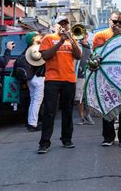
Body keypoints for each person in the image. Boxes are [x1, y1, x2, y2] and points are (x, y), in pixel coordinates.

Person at [37, 16, 82, 154]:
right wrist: (60, 41)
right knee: (50, 111)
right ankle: (44, 143)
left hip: (69, 79)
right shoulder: (48, 38)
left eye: (65, 24)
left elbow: (78, 56)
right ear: (55, 26)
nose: (63, 26)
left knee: (67, 111)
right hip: (53, 79)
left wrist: (71, 40)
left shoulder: (72, 38)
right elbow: (45, 56)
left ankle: (67, 139)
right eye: (60, 24)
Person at [93, 11, 121, 148]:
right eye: (114, 21)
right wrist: (115, 37)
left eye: (120, 22)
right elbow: (98, 54)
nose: (117, 24)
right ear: (109, 21)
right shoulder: (101, 35)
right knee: (108, 107)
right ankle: (108, 137)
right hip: (107, 77)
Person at [25, 32, 46, 132]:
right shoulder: (37, 49)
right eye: (37, 36)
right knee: (37, 102)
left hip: (30, 78)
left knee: (33, 101)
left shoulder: (27, 50)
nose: (40, 37)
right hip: (38, 78)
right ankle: (33, 124)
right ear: (34, 39)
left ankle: (30, 122)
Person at [75, 31, 94, 126]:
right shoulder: (78, 46)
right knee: (79, 98)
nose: (82, 39)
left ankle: (87, 115)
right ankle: (82, 118)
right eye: (80, 37)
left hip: (89, 76)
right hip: (79, 76)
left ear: (87, 36)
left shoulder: (91, 47)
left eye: (83, 37)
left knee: (89, 98)